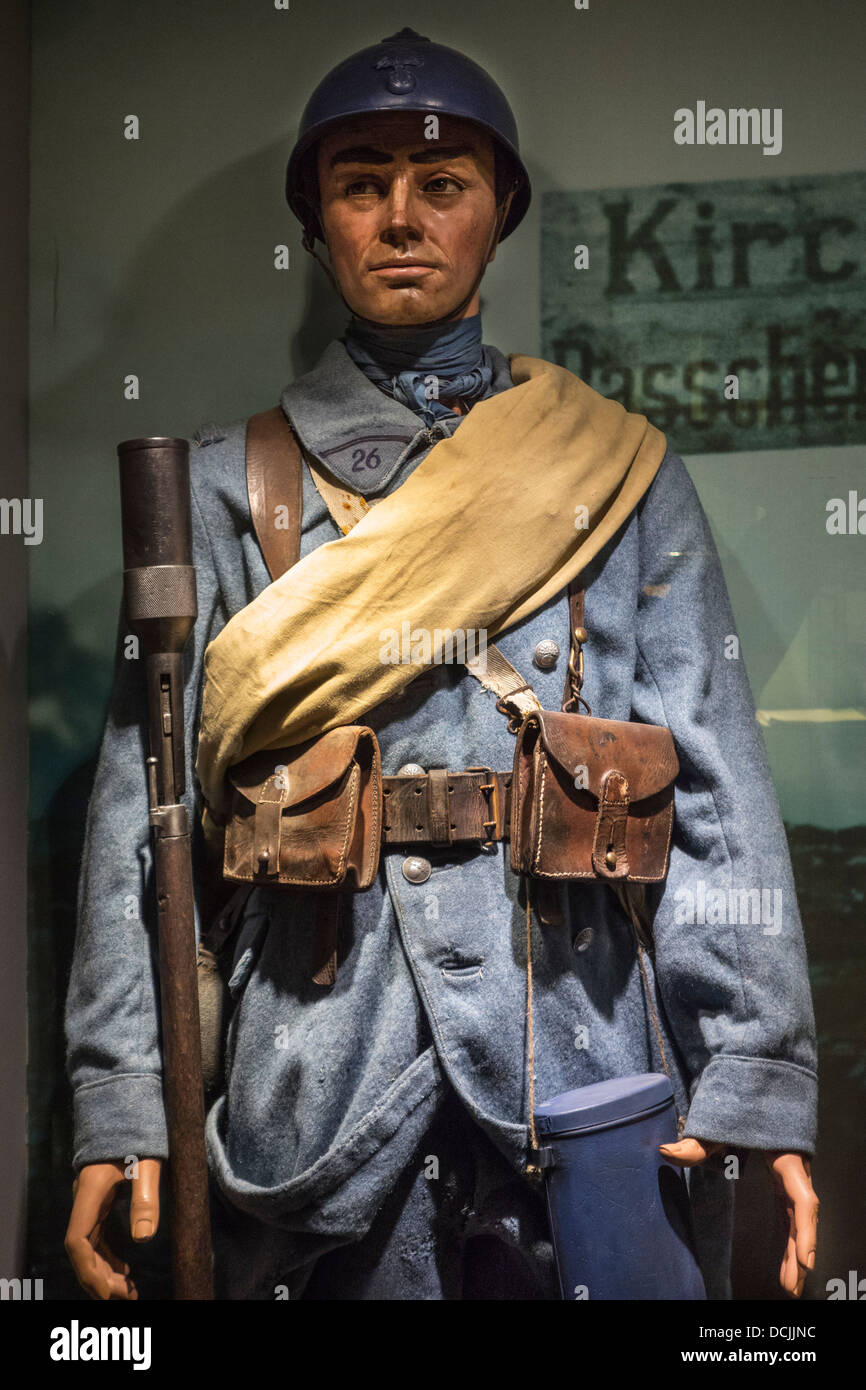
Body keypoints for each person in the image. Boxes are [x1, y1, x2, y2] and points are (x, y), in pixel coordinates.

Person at [64, 27, 818, 1301]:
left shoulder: (615, 474)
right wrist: (124, 1099)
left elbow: (714, 797)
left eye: (441, 184)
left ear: (497, 213)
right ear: (316, 222)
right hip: (316, 1081)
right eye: (361, 184)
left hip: (577, 1066)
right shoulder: (218, 491)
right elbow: (144, 826)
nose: (400, 217)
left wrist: (755, 1072)